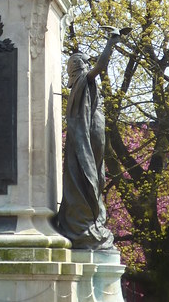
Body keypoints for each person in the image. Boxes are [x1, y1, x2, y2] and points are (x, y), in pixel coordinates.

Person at [54, 30, 130, 249]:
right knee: (89, 178)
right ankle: (84, 222)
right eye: (86, 63)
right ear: (79, 67)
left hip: (94, 138)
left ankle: (92, 220)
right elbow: (101, 67)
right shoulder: (82, 82)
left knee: (96, 178)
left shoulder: (85, 87)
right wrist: (110, 43)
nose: (90, 66)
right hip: (88, 140)